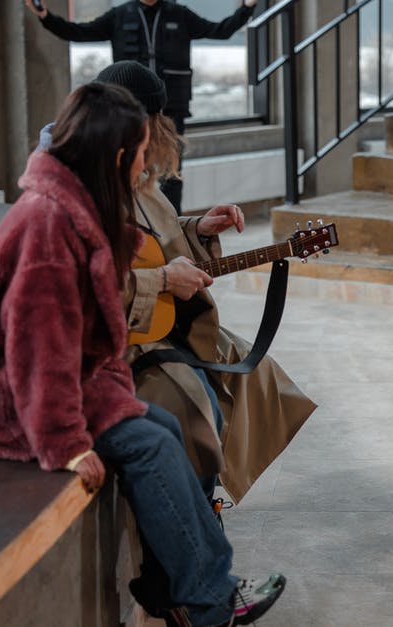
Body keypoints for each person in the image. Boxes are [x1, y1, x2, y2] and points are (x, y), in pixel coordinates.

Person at [0, 82, 283, 627]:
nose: (147, 163)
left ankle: (182, 589)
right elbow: (36, 349)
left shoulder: (78, 203)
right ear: (118, 155)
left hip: (65, 374)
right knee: (152, 443)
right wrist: (64, 444)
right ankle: (211, 604)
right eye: (141, 152)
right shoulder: (50, 223)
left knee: (162, 427)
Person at [92, 60, 316, 506]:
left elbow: (154, 238)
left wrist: (197, 230)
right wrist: (160, 279)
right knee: (199, 408)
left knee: (260, 376)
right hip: (122, 346)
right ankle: (196, 509)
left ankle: (207, 494)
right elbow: (89, 281)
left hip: (164, 326)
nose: (161, 135)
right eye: (154, 123)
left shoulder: (137, 177)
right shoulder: (89, 188)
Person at [25, 0, 259, 213]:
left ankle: (171, 223)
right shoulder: (119, 15)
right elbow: (78, 32)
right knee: (124, 171)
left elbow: (221, 30)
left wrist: (247, 7)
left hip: (169, 108)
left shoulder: (179, 14)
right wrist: (46, 16)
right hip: (123, 114)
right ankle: (129, 220)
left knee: (172, 172)